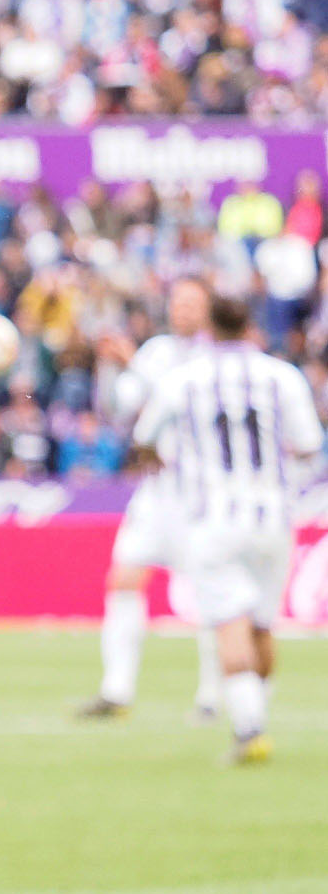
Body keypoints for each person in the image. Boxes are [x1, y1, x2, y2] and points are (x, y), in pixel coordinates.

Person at [131, 293, 322, 765]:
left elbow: (144, 436)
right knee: (261, 624)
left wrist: (164, 460)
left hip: (212, 518)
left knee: (229, 624)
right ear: (250, 326)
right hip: (273, 515)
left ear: (209, 329)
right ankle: (258, 711)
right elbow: (308, 443)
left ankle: (250, 728)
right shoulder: (282, 376)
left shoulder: (185, 380)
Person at [79, 278, 216, 721]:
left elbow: (184, 400)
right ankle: (116, 691)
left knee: (213, 594)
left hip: (202, 492)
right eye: (178, 301)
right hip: (157, 491)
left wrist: (131, 361)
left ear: (208, 309)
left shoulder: (215, 356)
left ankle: (212, 697)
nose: (183, 309)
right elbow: (118, 408)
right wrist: (109, 367)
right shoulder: (158, 350)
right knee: (123, 579)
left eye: (193, 302)